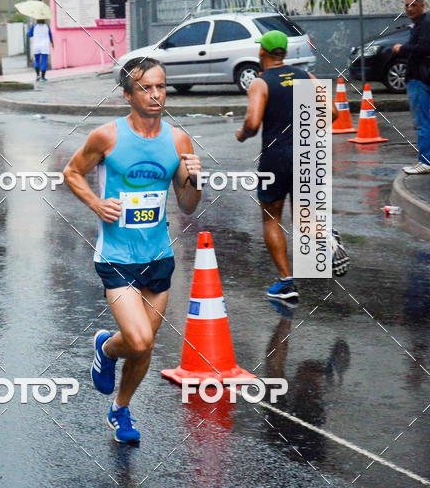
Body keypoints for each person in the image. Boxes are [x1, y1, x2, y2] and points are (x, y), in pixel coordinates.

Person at [63, 57, 202, 445]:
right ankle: (106, 347)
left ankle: (120, 409)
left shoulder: (178, 140)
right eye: (146, 87)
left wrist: (196, 178)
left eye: (160, 86)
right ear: (128, 93)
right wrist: (95, 203)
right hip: (117, 257)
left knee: (145, 347)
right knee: (137, 340)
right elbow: (72, 172)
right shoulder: (107, 137)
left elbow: (188, 204)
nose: (155, 94)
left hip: (158, 256)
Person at [235, 30, 337, 302]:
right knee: (305, 219)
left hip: (276, 158)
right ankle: (326, 237)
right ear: (285, 53)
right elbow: (334, 113)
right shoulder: (306, 77)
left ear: (263, 53)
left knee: (271, 218)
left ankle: (286, 283)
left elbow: (253, 123)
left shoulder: (260, 82)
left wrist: (242, 133)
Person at [393, 0, 430, 174]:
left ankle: (425, 161)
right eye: (407, 5)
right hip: (420, 77)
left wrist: (402, 48)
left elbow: (423, 48)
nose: (409, 9)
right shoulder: (418, 25)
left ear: (422, 5)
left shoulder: (425, 24)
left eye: (414, 5)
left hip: (419, 78)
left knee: (422, 122)